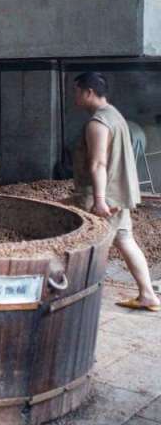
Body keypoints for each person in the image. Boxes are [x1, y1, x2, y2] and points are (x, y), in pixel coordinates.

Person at [68, 72, 159, 312]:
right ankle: (148, 295)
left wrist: (99, 201)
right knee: (125, 240)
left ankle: (75, 298)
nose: (74, 96)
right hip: (118, 193)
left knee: (77, 242)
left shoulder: (98, 123)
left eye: (77, 91)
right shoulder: (115, 115)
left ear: (89, 92)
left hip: (103, 197)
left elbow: (98, 164)